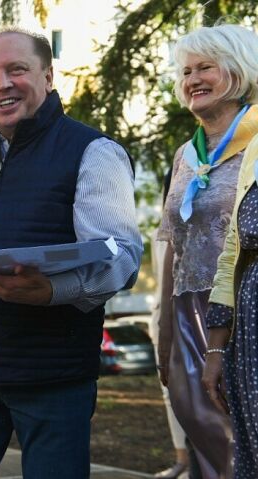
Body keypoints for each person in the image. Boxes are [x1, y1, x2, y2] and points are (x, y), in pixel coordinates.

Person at [0, 28, 142, 479]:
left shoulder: (93, 151)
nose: (1, 83)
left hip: (53, 380)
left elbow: (123, 260)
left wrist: (51, 290)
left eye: (16, 70)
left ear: (47, 75)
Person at [156, 24, 258, 479]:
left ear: (237, 72)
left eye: (205, 68)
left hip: (241, 313)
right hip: (184, 312)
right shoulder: (185, 156)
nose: (192, 79)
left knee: (238, 444)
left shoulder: (256, 143)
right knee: (202, 438)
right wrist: (163, 331)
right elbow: (172, 246)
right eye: (186, 71)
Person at [200, 25, 258, 479]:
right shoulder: (254, 147)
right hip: (247, 327)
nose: (193, 78)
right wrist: (216, 351)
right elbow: (231, 254)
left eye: (206, 67)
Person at [150, 167, 190, 479]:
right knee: (172, 394)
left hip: (193, 318)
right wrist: (162, 327)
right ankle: (182, 459)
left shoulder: (198, 225)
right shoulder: (160, 234)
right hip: (163, 319)